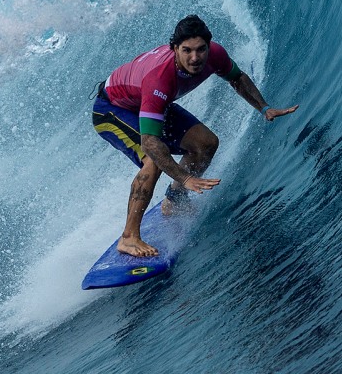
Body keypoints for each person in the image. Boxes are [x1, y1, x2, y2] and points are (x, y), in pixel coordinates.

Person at [92, 14, 298, 257]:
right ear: (175, 49)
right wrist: (184, 176)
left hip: (145, 103)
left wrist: (264, 107)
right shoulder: (160, 78)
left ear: (209, 47)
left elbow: (238, 78)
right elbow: (149, 142)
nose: (195, 57)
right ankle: (128, 238)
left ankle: (174, 201)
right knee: (154, 159)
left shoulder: (215, 55)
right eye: (187, 50)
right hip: (112, 109)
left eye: (201, 49)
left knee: (205, 143)